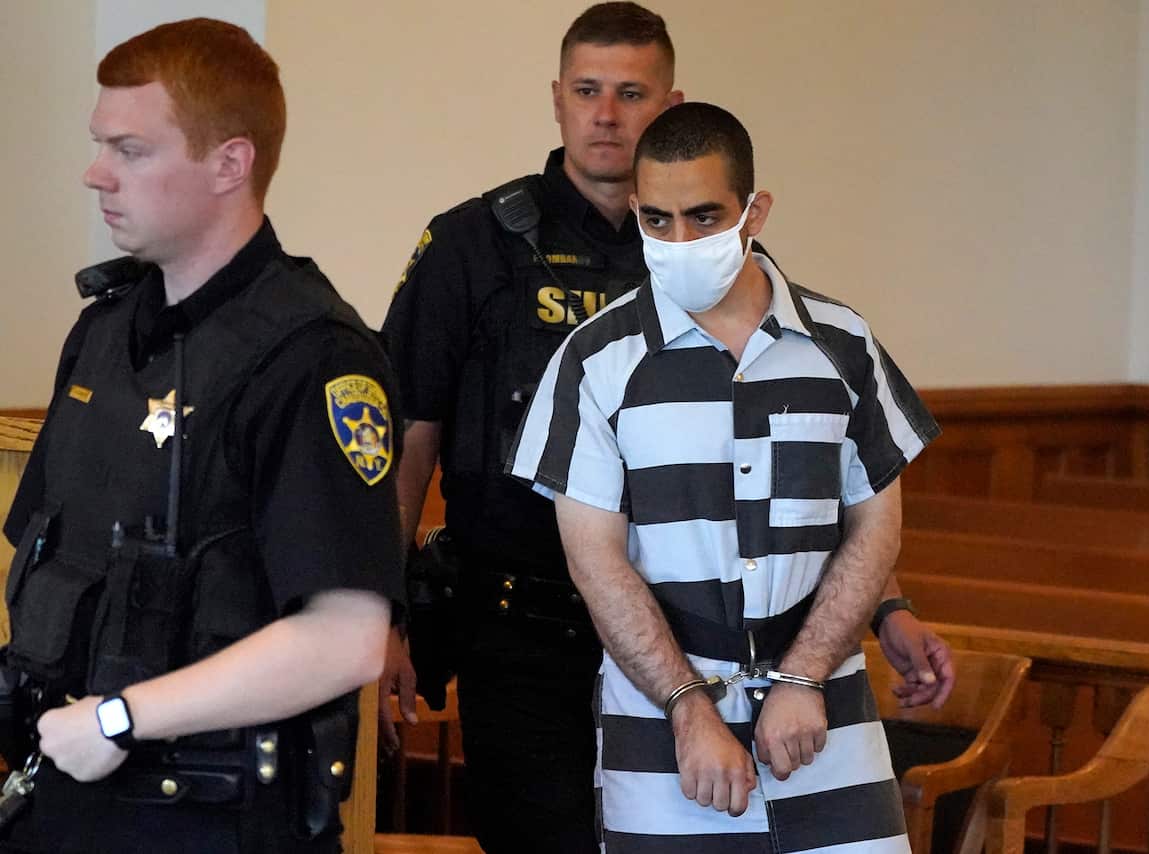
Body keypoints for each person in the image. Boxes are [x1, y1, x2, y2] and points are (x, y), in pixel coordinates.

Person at [381, 5, 951, 851]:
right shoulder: (478, 248)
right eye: (586, 91)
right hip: (526, 628)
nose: (606, 114)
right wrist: (382, 613)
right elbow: (406, 442)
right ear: (558, 99)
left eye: (630, 92)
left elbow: (797, 476)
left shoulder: (759, 291)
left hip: (708, 641)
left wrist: (886, 607)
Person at [1, 18, 402, 854]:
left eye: (131, 149)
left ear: (230, 161)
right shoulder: (105, 332)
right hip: (66, 795)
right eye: (98, 144)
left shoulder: (314, 358)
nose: (95, 174)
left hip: (212, 815)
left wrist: (120, 716)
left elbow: (348, 638)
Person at [508, 101, 938, 851]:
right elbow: (594, 559)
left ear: (754, 211)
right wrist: (688, 707)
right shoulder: (594, 361)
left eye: (705, 217)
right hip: (663, 726)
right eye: (659, 221)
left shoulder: (842, 344)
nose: (680, 241)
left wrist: (803, 678)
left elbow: (876, 527)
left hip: (827, 717)